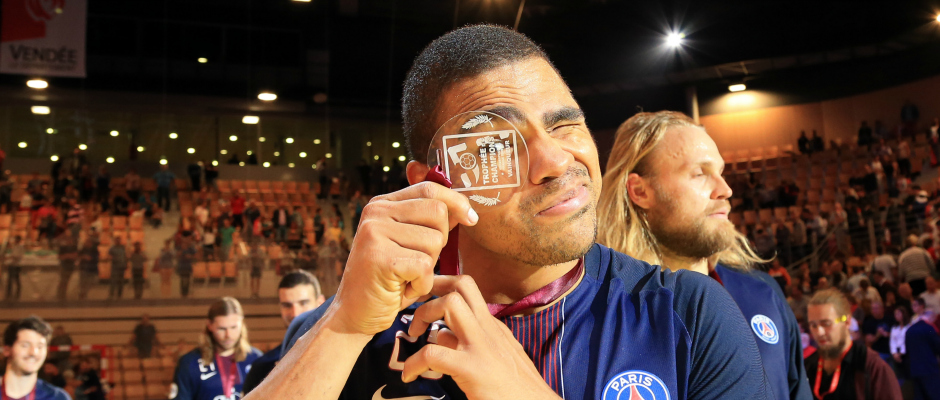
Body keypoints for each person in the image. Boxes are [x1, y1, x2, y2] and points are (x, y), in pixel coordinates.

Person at [249, 25, 770, 400]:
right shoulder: (347, 331)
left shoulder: (690, 315)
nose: (555, 161)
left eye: (565, 126)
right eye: (496, 147)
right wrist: (343, 326)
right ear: (432, 181)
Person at [594, 110, 807, 400]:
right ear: (641, 191)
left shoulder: (764, 293)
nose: (725, 190)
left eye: (720, 172)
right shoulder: (600, 316)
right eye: (699, 173)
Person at [805, 289, 901, 399]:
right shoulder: (807, 366)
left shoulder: (872, 366)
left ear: (847, 322)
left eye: (826, 323)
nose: (819, 332)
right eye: (813, 325)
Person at [242, 271, 325, 395]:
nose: (295, 313)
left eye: (303, 303)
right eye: (287, 305)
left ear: (321, 302)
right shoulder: (262, 367)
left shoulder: (346, 356)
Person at [170, 297, 262, 400]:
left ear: (242, 324)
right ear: (210, 325)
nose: (228, 335)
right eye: (222, 329)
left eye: (233, 327)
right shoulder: (189, 363)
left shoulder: (257, 359)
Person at [2, 316, 72, 399]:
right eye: (25, 345)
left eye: (40, 346)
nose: (34, 353)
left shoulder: (57, 397)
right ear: (7, 350)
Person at [904, 309, 940, 399]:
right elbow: (937, 347)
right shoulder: (929, 329)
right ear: (931, 317)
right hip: (929, 369)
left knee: (919, 396)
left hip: (914, 369)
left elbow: (907, 350)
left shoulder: (909, 330)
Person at [56, 230, 79, 300]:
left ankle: (63, 294)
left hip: (70, 266)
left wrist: (67, 256)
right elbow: (60, 257)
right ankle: (60, 294)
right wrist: (68, 256)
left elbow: (75, 256)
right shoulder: (63, 247)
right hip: (64, 266)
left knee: (66, 281)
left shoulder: (74, 247)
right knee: (63, 281)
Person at [4, 235, 25, 300]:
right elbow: (12, 255)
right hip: (12, 264)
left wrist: (12, 257)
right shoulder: (14, 247)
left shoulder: (21, 247)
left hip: (17, 265)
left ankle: (18, 291)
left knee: (16, 279)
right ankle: (9, 292)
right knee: (10, 279)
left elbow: (19, 256)